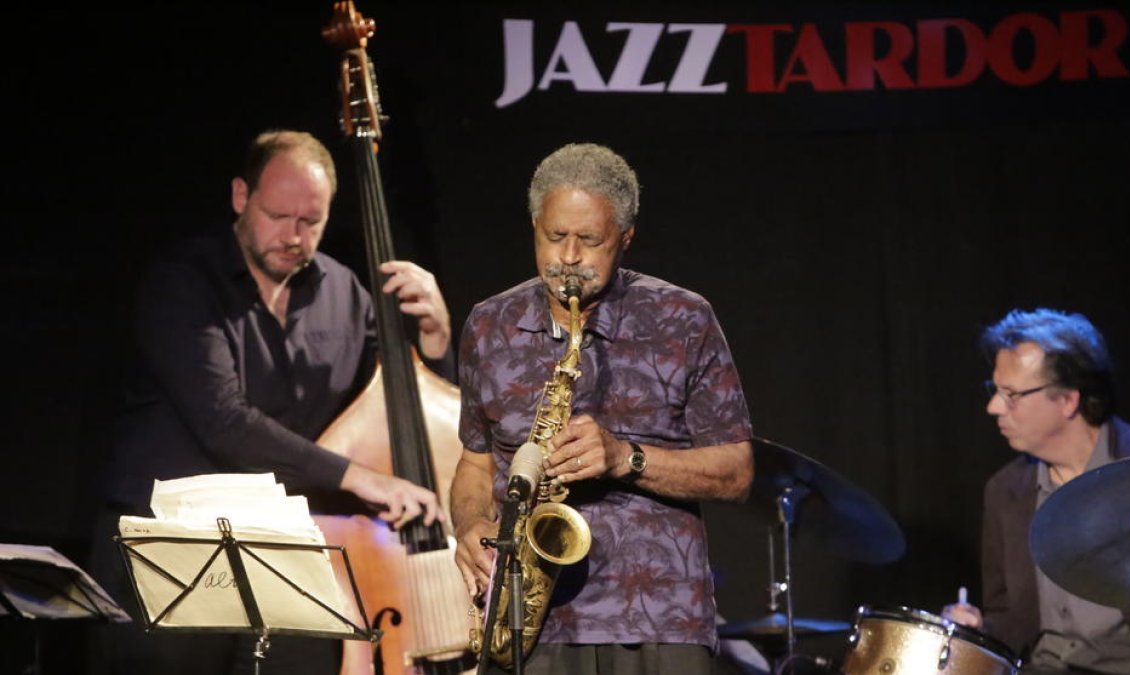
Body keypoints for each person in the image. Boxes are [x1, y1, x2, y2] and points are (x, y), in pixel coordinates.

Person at [87, 130, 451, 674]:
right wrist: (360, 478)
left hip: (280, 561)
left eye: (312, 222)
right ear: (241, 197)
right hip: (172, 552)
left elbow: (405, 404)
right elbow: (223, 421)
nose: (294, 237)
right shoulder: (183, 281)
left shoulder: (344, 294)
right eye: (279, 216)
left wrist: (436, 341)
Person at [450, 142, 754, 675]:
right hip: (528, 623)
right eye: (554, 236)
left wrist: (625, 458)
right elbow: (476, 461)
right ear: (534, 225)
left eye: (589, 240)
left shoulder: (684, 319)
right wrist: (470, 524)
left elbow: (737, 471)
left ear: (625, 239)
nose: (568, 258)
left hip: (657, 623)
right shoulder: (487, 324)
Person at [943, 307, 1130, 674]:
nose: (993, 407)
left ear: (1067, 400)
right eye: (994, 390)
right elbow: (1008, 619)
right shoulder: (1005, 490)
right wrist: (980, 627)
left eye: (1010, 394)